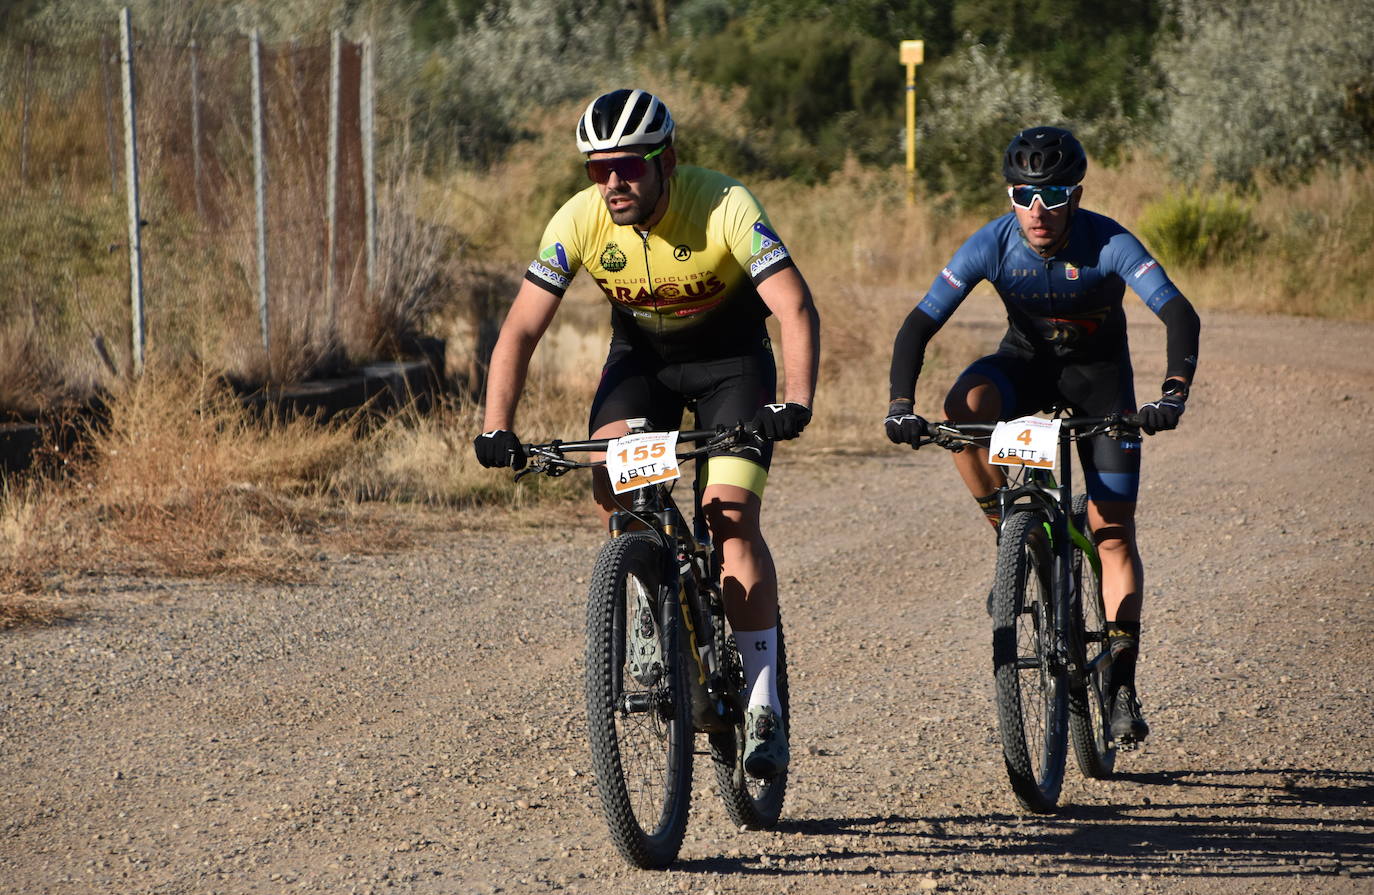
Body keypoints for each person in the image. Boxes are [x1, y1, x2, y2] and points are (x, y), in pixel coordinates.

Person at [473, 89, 820, 778]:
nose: (612, 183)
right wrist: (496, 427)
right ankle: (640, 597)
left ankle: (760, 702)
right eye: (597, 169)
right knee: (617, 484)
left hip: (732, 366)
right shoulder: (579, 220)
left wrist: (796, 401)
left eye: (628, 167)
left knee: (730, 518)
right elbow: (519, 327)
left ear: (669, 161)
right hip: (643, 367)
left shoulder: (725, 204)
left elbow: (794, 305)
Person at [885, 126, 1200, 745]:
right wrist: (899, 404)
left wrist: (1172, 393)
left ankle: (1122, 686)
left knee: (1111, 533)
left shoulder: (1108, 241)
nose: (1037, 211)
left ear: (1075, 196)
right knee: (963, 410)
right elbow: (919, 324)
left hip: (1099, 382)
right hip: (1025, 366)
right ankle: (1016, 544)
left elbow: (1178, 312)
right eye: (1023, 195)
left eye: (1052, 196)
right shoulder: (994, 242)